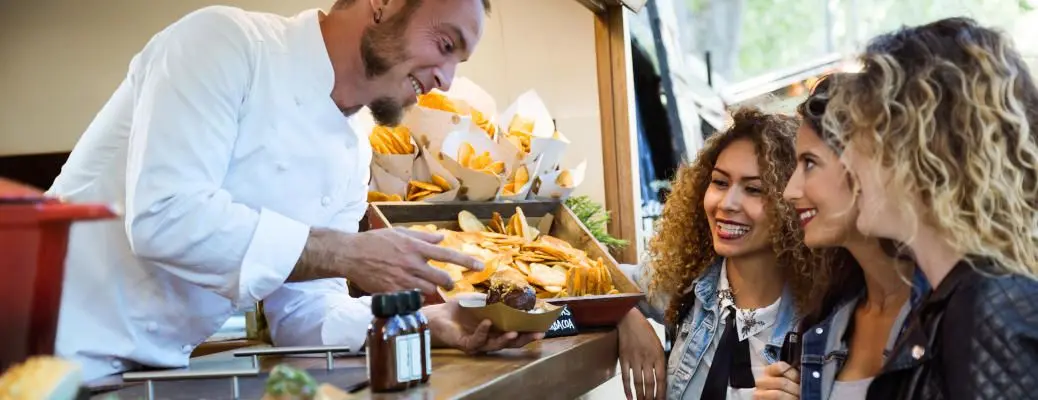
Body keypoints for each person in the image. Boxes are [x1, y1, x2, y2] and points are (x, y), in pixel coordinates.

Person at [47, 0, 541, 381]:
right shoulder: (223, 42)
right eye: (445, 44)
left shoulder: (355, 149)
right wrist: (346, 253)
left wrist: (426, 319)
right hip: (45, 358)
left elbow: (306, 316)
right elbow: (165, 218)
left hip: (146, 376)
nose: (446, 80)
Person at [823, 17, 1038, 399]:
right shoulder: (959, 302)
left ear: (918, 148)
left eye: (859, 135)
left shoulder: (988, 306)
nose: (847, 159)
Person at [616, 108, 820, 400]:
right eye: (720, 182)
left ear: (793, 203)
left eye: (754, 189)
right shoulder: (685, 284)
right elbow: (589, 282)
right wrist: (625, 314)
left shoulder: (820, 322)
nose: (727, 203)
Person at [752, 74, 928, 400]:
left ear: (869, 167)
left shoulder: (946, 316)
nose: (789, 191)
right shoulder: (825, 319)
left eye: (809, 163)